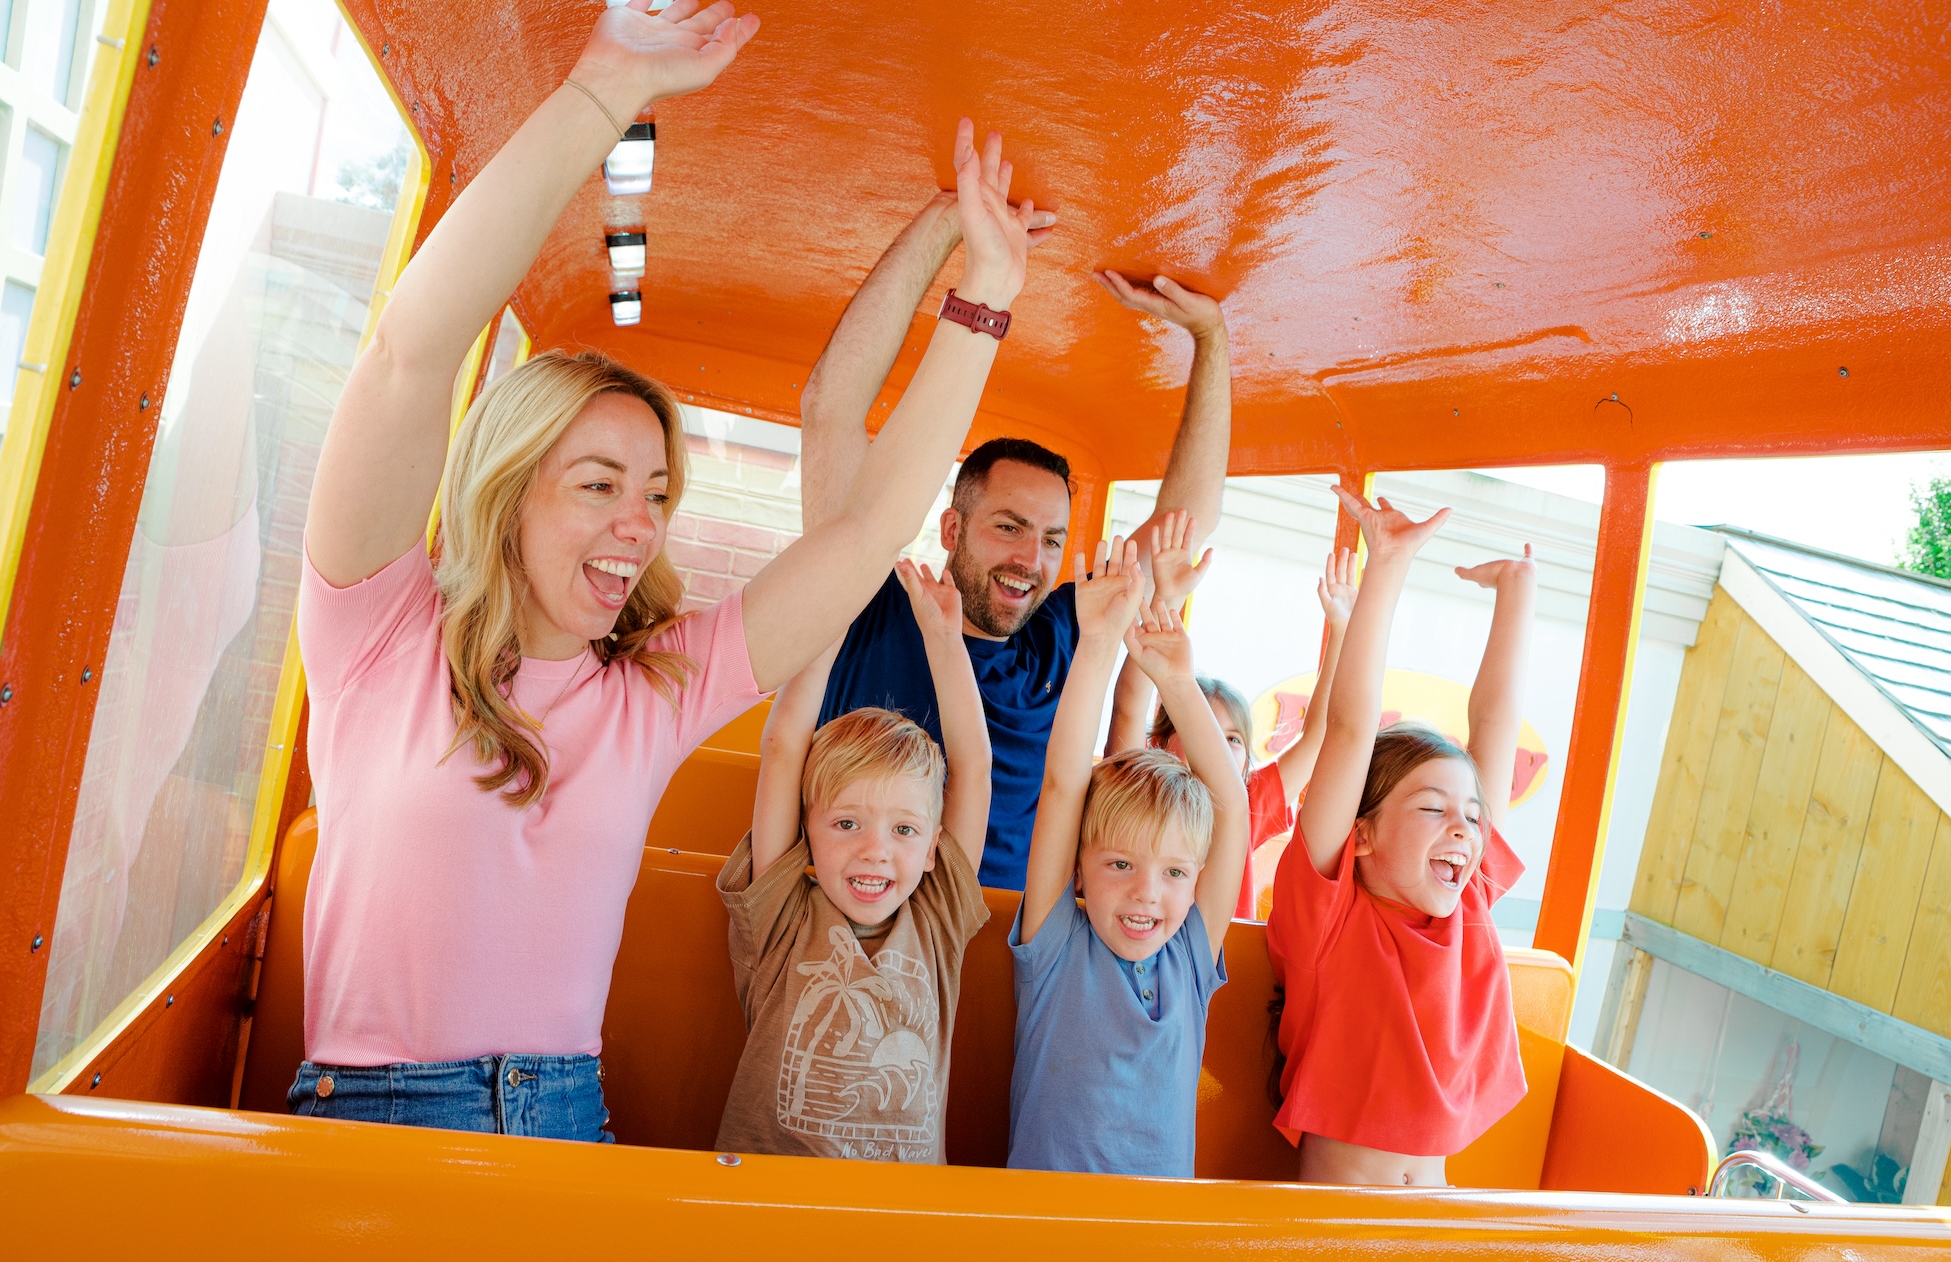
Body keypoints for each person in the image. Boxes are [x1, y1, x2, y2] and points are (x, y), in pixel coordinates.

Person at [288, 1, 1038, 1139]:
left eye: (655, 497)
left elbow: (864, 530)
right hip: (372, 1118)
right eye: (597, 484)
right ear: (508, 485)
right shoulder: (378, 636)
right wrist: (604, 88)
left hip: (563, 1122)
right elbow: (409, 353)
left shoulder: (651, 690)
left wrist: (983, 298)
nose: (637, 526)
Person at [801, 190, 1232, 892]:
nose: (1030, 561)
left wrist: (1210, 339)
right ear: (952, 528)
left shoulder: (1068, 632)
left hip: (1012, 964)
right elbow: (830, 409)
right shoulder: (871, 604)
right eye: (1008, 527)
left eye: (1052, 539)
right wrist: (947, 221)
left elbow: (1189, 523)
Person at [1266, 488, 1537, 1186]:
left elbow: (1495, 725)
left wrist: (1517, 592)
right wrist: (1385, 566)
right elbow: (1352, 729)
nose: (1463, 828)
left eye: (1471, 815)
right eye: (1431, 808)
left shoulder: (1467, 903)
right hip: (1335, 1231)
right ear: (1361, 835)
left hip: (1428, 1228)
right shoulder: (1332, 913)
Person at [712, 559, 991, 1162]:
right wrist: (831, 616)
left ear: (934, 841)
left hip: (896, 1227)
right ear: (807, 830)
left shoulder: (938, 920)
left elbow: (974, 767)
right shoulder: (780, 913)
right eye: (846, 823)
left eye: (903, 830)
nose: (875, 850)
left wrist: (945, 639)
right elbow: (784, 745)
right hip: (772, 1213)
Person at [1005, 538, 1248, 1177]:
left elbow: (1232, 804)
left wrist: (1177, 681)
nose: (1148, 893)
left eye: (1174, 873)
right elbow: (1061, 782)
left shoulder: (1189, 958)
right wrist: (1098, 643)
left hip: (1152, 1246)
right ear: (1081, 870)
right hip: (1047, 1238)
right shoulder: (1055, 946)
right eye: (1120, 865)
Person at [1103, 510, 1359, 918]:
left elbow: (1317, 739)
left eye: (1233, 740)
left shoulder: (1247, 801)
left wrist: (1343, 630)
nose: (1217, 747)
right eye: (1198, 728)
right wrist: (1167, 597)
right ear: (1159, 744)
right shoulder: (1140, 792)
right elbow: (1130, 703)